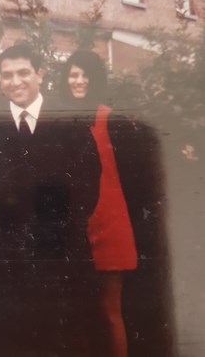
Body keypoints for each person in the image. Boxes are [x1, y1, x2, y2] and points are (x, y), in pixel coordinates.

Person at [0, 44, 102, 356]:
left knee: (62, 339)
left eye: (23, 73)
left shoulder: (68, 119)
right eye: (7, 75)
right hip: (8, 262)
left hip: (59, 257)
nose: (15, 81)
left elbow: (88, 186)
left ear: (40, 74)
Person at [60, 50, 145, 357]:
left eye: (84, 75)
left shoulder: (109, 118)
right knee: (77, 313)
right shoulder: (61, 118)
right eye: (73, 74)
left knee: (110, 311)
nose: (78, 80)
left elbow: (134, 178)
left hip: (109, 226)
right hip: (74, 228)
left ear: (95, 79)